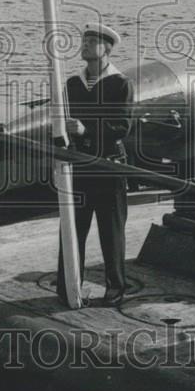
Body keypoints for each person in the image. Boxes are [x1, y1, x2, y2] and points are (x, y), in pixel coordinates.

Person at [56, 24, 134, 307]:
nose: (85, 44)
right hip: (80, 166)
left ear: (107, 49)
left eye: (92, 41)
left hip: (109, 166)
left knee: (111, 230)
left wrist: (85, 129)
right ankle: (67, 285)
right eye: (84, 40)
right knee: (72, 227)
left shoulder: (120, 84)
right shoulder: (73, 84)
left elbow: (122, 126)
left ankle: (116, 287)